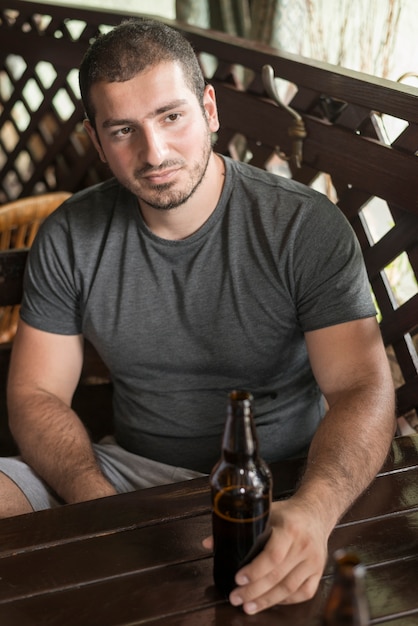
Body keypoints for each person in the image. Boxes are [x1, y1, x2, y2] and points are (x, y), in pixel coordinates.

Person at [2, 18, 395, 615]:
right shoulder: (71, 235)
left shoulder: (304, 226)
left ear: (209, 109)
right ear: (96, 139)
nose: (154, 152)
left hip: (286, 479)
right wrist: (100, 503)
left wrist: (315, 510)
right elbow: (35, 393)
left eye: (171, 116)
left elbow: (361, 386)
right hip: (125, 473)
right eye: (123, 130)